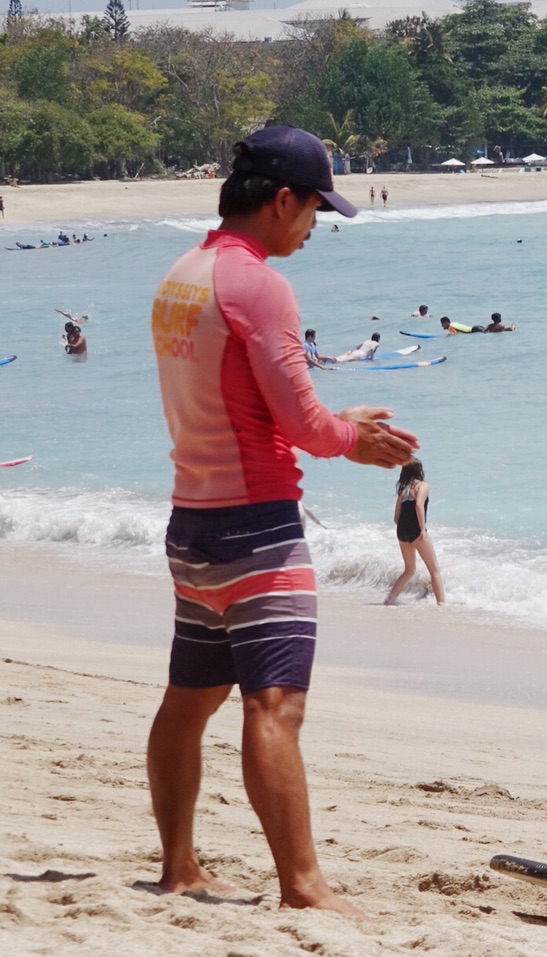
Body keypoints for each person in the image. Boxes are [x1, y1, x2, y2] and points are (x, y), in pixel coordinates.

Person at [147, 123, 417, 916]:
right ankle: (302, 887)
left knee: (187, 701)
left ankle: (178, 868)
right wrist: (353, 440)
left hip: (191, 528)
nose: (314, 227)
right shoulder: (257, 283)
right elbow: (298, 427)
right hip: (256, 529)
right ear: (282, 199)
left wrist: (330, 418)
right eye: (313, 212)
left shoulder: (183, 273)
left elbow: (239, 402)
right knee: (276, 707)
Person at [383, 460, 444, 605]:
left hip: (402, 530)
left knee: (409, 569)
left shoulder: (403, 491)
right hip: (416, 529)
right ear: (420, 471)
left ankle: (390, 598)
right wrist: (422, 529)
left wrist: (406, 528)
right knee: (434, 569)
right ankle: (441, 604)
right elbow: (418, 505)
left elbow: (395, 518)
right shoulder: (423, 486)